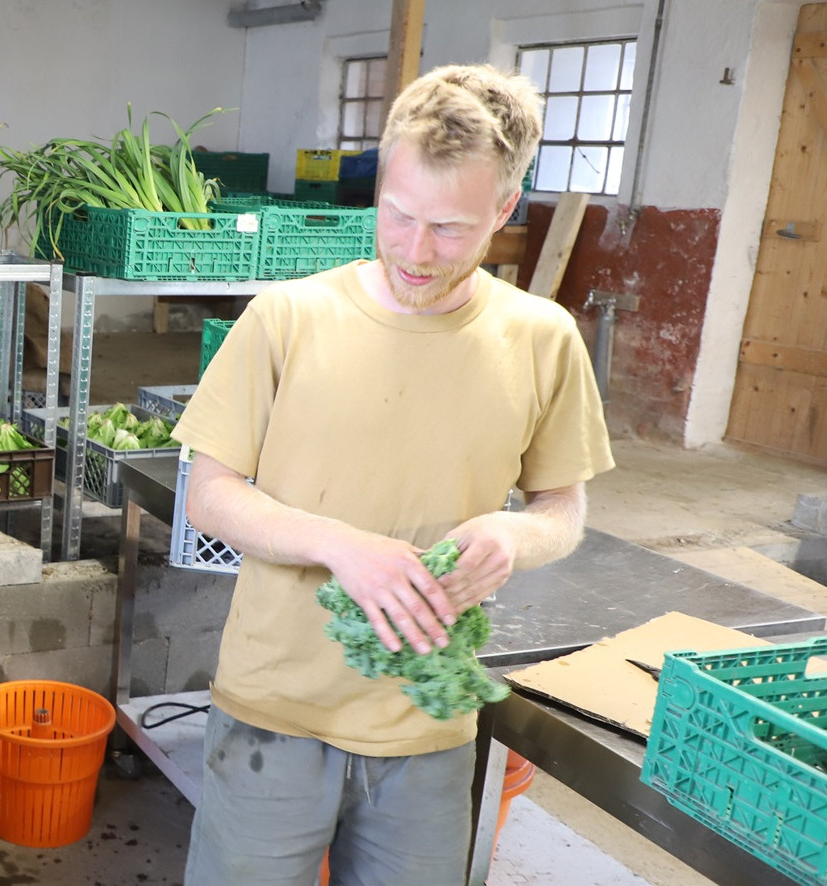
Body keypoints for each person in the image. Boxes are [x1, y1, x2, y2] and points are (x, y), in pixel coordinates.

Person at [174, 64, 615, 884]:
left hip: (427, 721)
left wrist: (513, 533)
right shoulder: (288, 318)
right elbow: (208, 494)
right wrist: (340, 546)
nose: (415, 251)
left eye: (449, 229)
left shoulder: (541, 338)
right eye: (398, 215)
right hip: (273, 710)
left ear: (503, 212)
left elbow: (562, 509)